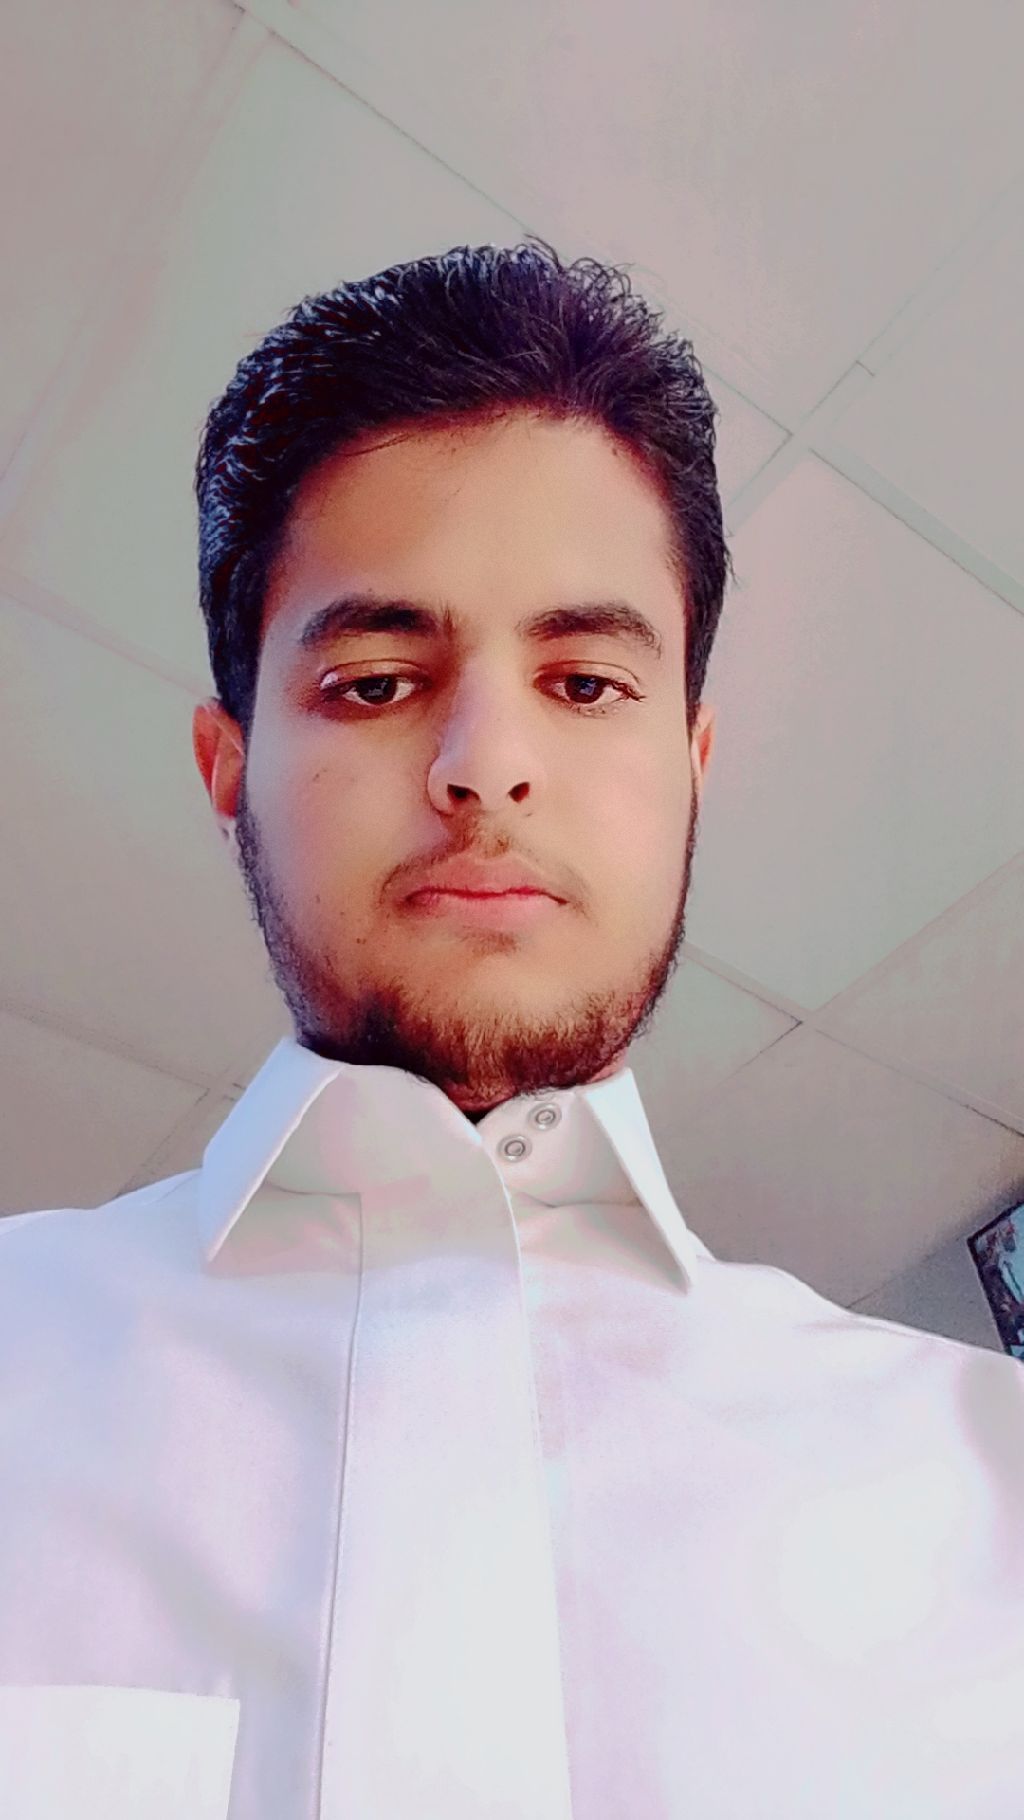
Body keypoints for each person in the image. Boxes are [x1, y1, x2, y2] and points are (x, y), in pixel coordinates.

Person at [1, 239, 1021, 1820]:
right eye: (375, 680)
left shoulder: (987, 1484)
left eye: (588, 683)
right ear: (228, 767)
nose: (486, 762)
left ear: (691, 763)